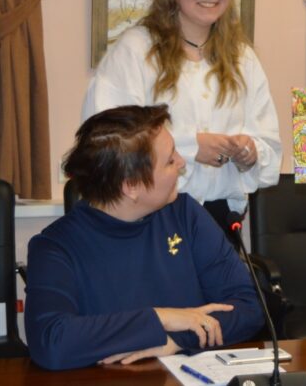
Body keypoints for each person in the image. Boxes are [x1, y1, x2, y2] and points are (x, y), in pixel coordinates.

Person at [25, 105, 264, 370]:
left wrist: (177, 339)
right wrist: (161, 318)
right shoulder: (55, 247)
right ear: (131, 186)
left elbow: (249, 308)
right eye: (170, 161)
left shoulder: (186, 216)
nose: (182, 163)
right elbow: (51, 342)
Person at [82, 0, 281, 243]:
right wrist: (190, 146)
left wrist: (251, 153)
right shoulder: (136, 49)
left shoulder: (243, 58)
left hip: (219, 222)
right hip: (149, 221)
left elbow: (270, 147)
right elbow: (106, 140)